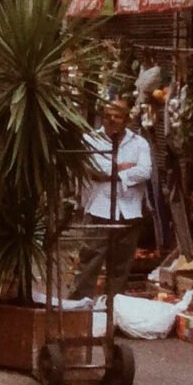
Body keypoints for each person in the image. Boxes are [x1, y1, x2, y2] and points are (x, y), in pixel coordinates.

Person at [68, 99, 153, 301]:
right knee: (89, 262)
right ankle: (79, 310)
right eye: (108, 116)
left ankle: (113, 310)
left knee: (121, 266)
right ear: (102, 116)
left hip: (129, 211)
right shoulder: (90, 140)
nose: (112, 120)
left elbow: (145, 171)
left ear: (126, 119)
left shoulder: (139, 143)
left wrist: (113, 172)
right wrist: (124, 167)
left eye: (117, 116)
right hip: (99, 209)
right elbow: (95, 169)